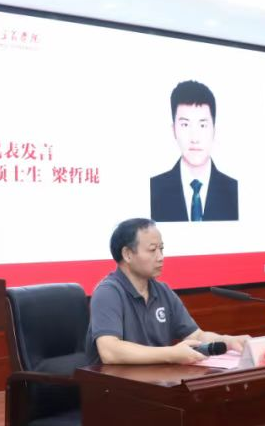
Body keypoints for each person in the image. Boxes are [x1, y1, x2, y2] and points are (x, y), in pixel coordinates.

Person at [86, 218, 247, 364]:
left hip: (158, 380)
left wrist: (228, 341)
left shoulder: (162, 291)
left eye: (161, 249)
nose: (160, 257)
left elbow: (196, 336)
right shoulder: (108, 292)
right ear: (127, 254)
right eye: (152, 250)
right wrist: (171, 353)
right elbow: (110, 351)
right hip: (117, 383)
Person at [150, 80, 238, 222]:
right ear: (174, 130)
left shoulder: (235, 192)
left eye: (203, 125)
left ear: (214, 130)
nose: (195, 138)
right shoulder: (153, 190)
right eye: (185, 125)